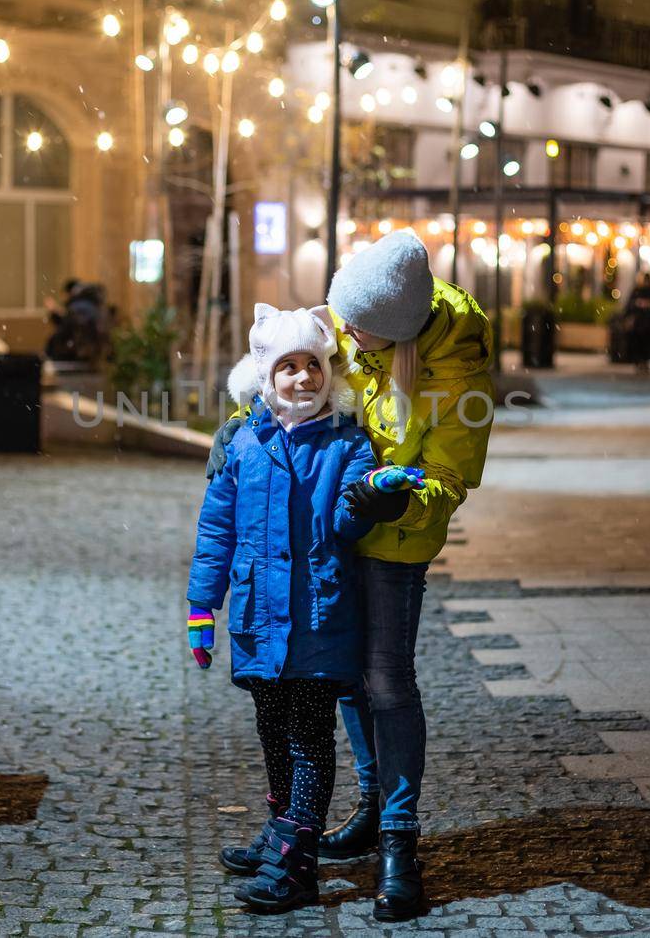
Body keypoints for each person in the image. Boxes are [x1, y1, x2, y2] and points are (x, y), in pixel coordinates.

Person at [206, 230, 496, 921]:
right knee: (340, 674)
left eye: (355, 329)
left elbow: (450, 474)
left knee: (386, 679)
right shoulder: (357, 305)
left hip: (394, 536)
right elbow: (287, 359)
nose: (344, 333)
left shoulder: (455, 364)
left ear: (393, 333)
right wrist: (243, 419)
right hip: (325, 526)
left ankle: (399, 838)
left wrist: (403, 496)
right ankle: (357, 809)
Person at [188, 303, 423, 914]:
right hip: (259, 621)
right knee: (272, 731)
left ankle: (297, 859)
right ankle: (282, 825)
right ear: (266, 379)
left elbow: (346, 521)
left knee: (309, 739)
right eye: (288, 368)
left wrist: (374, 496)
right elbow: (216, 532)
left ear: (328, 375)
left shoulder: (347, 442)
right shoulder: (243, 442)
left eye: (312, 367)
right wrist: (200, 608)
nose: (302, 379)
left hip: (320, 620)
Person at [622, 272, 650, 373]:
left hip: (647, 322)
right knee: (639, 342)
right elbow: (629, 305)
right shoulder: (639, 290)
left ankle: (643, 361)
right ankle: (640, 361)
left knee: (645, 342)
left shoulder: (649, 291)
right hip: (640, 322)